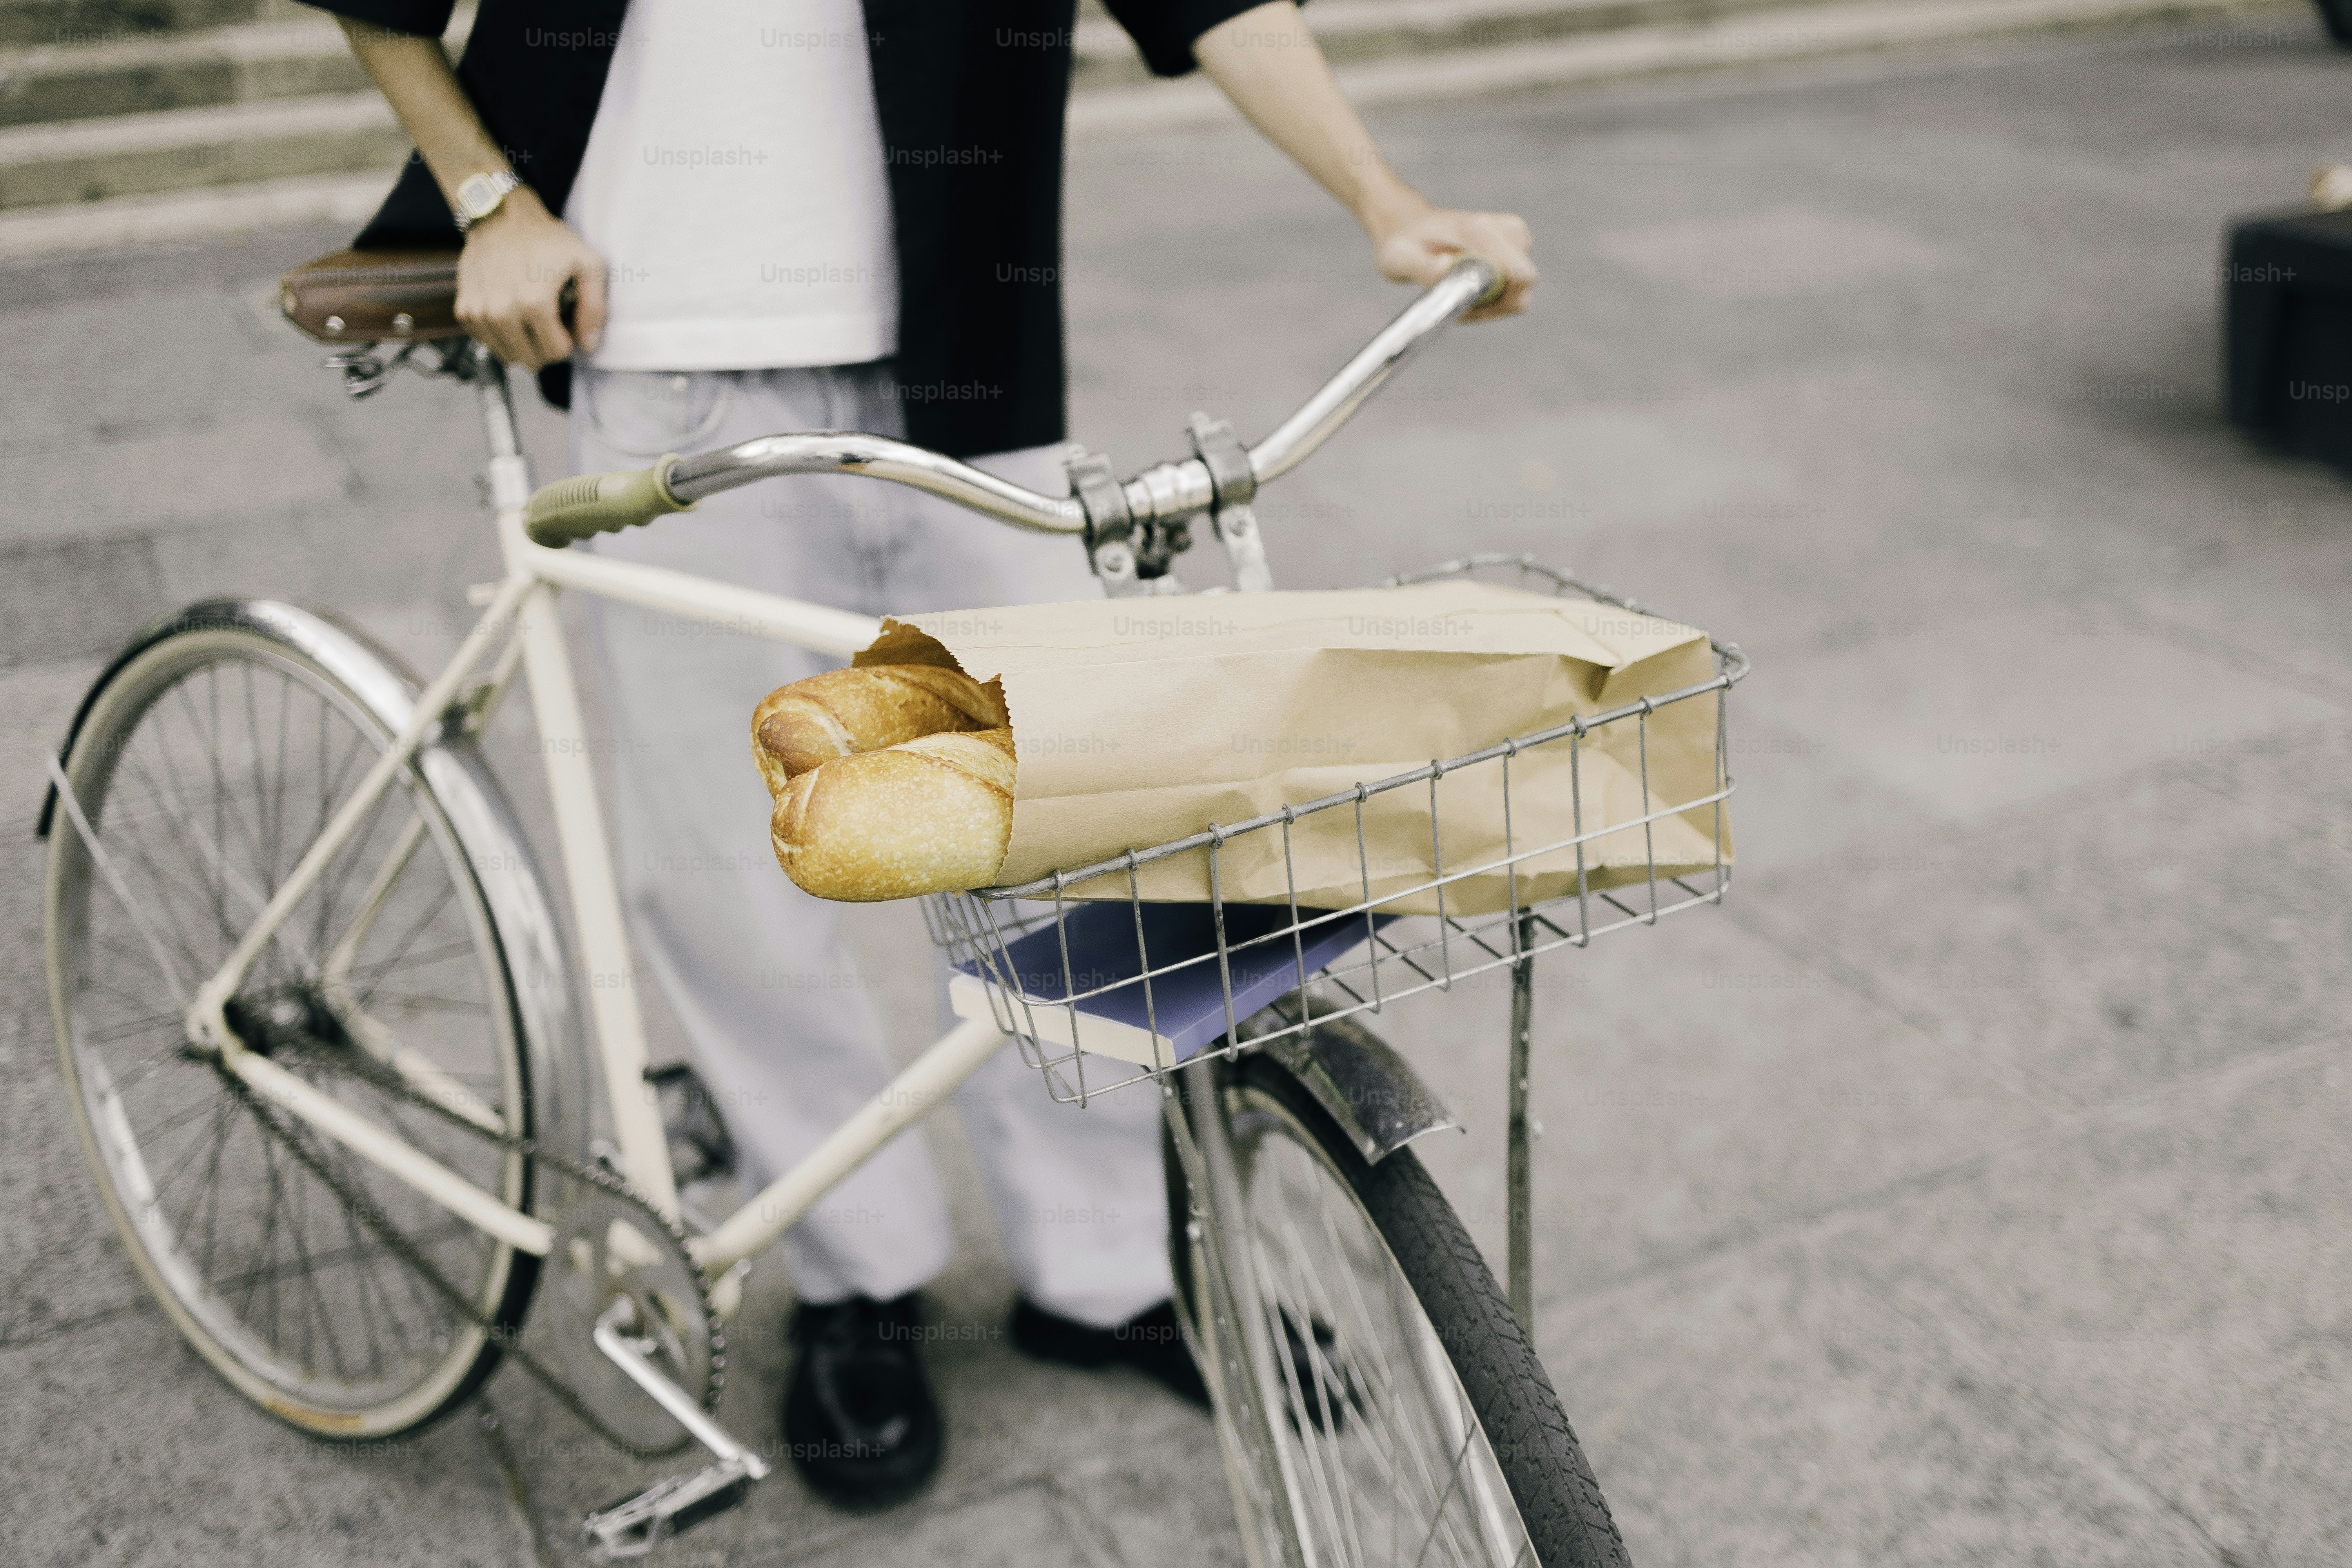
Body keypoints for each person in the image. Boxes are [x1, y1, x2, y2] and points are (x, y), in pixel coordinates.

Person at [319, 0, 1537, 1506]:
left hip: (970, 360)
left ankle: (1098, 1273)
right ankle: (852, 1274)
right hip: (664, 350)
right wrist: (488, 197)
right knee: (737, 872)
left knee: (1063, 849)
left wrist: (1385, 196)